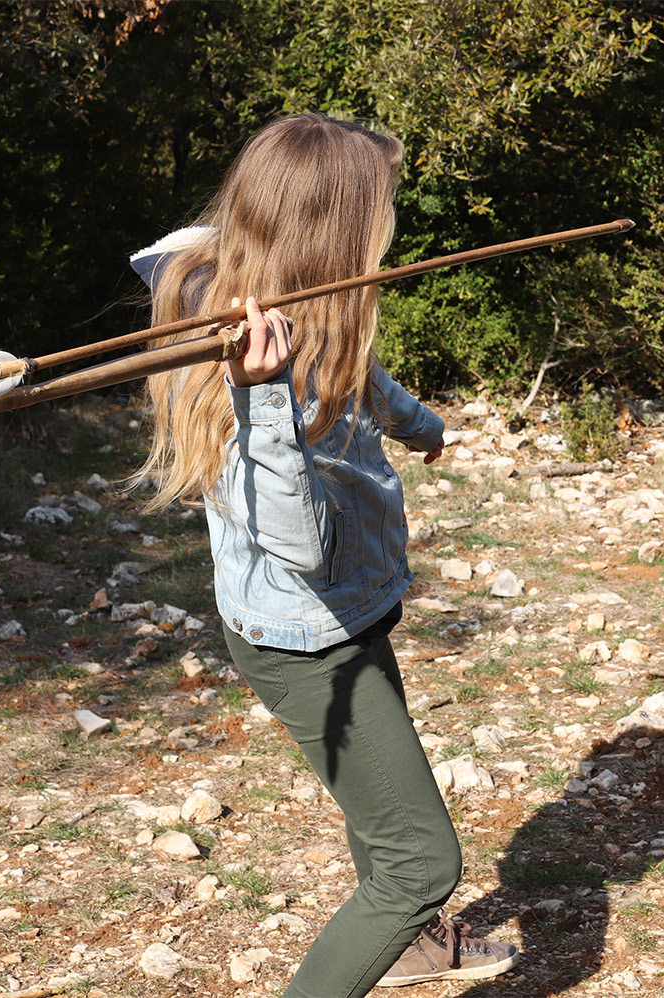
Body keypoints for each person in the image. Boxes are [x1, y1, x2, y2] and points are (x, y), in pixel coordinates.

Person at [126, 113, 518, 997]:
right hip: (307, 638)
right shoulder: (247, 357)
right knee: (420, 861)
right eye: (379, 210)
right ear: (330, 232)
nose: (389, 227)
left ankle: (409, 948)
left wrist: (418, 424)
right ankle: (399, 927)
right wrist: (264, 397)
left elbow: (355, 369)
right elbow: (296, 543)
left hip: (352, 606)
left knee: (384, 811)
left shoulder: (302, 302)